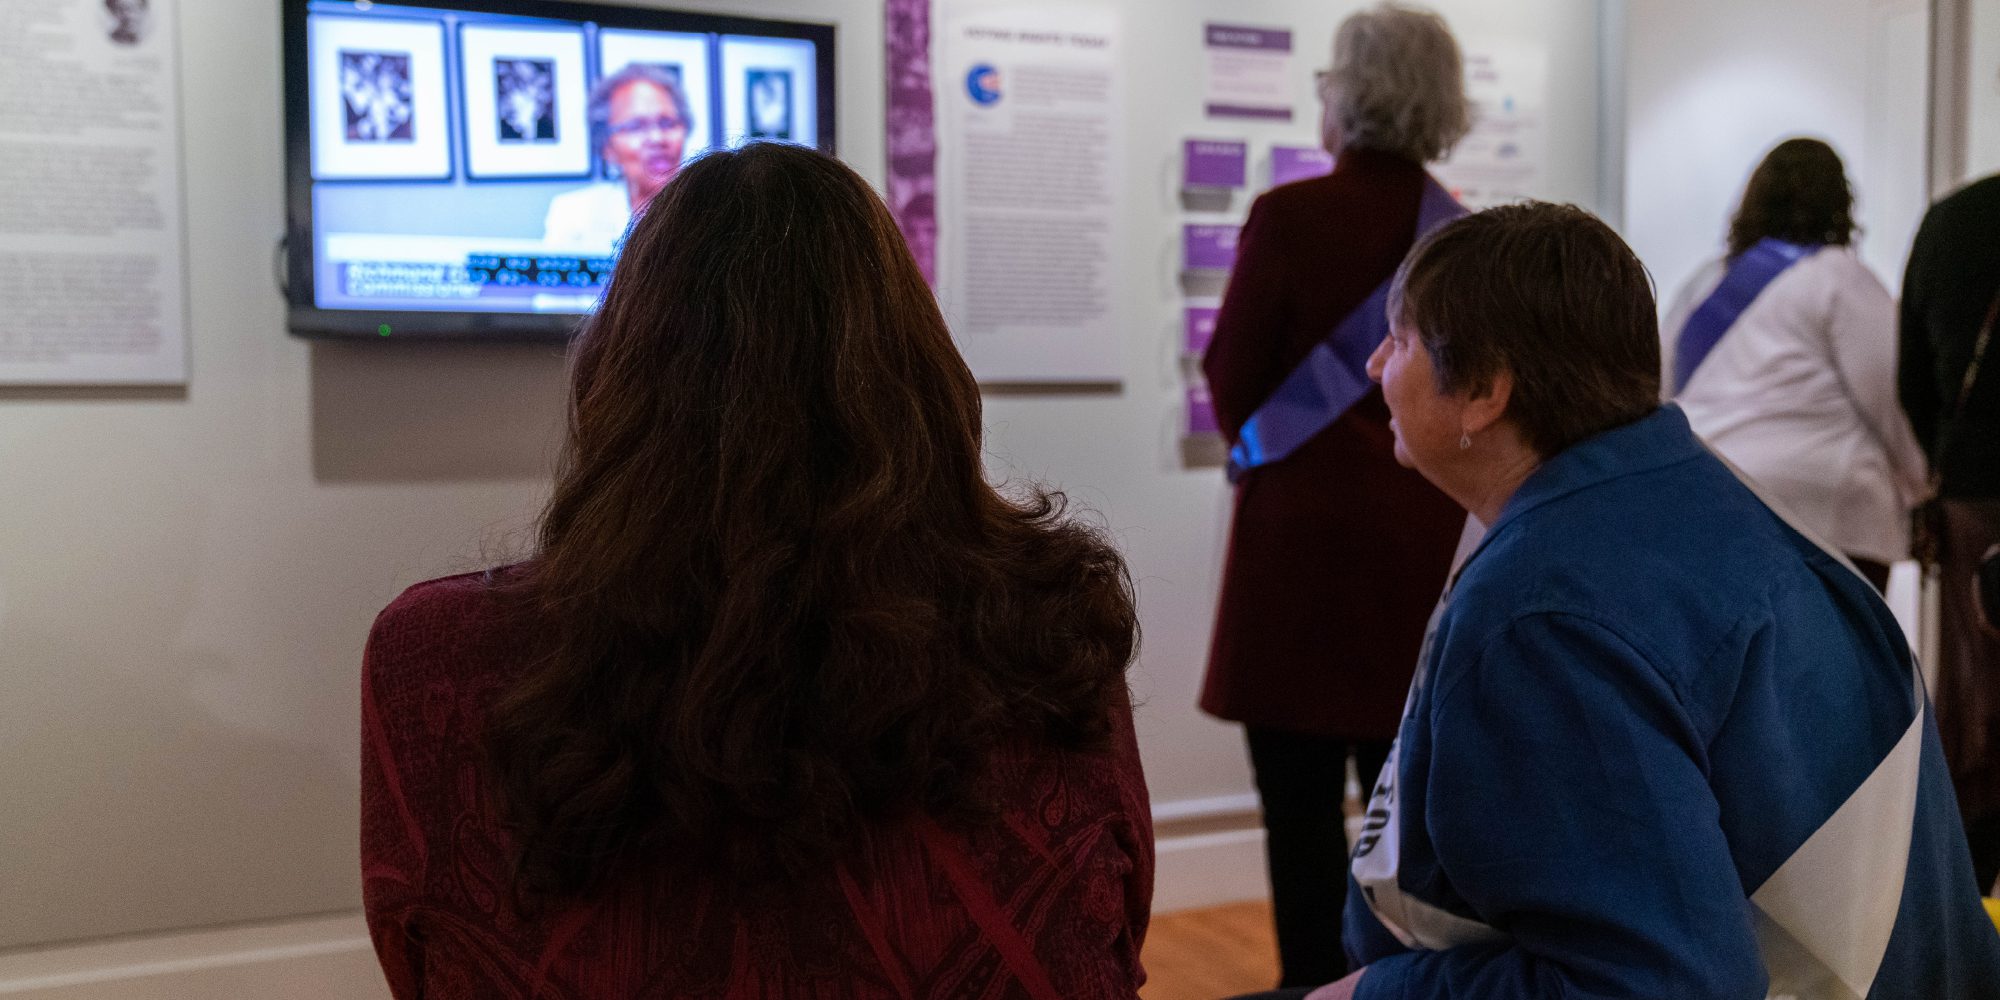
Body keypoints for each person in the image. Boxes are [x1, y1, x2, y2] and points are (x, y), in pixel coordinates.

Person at [362, 143, 1153, 998]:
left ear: (613, 373)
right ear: (924, 373)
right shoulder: (1051, 621)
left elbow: (418, 960)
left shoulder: (435, 659)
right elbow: (1120, 919)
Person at [1265, 202, 2000, 1000]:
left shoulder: (1545, 614)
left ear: (1482, 391)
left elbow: (1654, 984)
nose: (1375, 364)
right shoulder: (1695, 503)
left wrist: (1375, 993)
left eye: (1400, 339)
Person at [1197, 4, 1471, 987]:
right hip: (1419, 546)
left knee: (1298, 805)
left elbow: (1230, 374)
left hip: (1296, 553)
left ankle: (1313, 982)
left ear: (1344, 95)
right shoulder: (1462, 237)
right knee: (1411, 806)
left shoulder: (1288, 216)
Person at [1663, 138, 1927, 593]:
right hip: (1828, 510)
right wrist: (1923, 486)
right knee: (1837, 640)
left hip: (1711, 498)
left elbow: (1663, 389)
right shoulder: (1840, 276)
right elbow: (1891, 396)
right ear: (1840, 206)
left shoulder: (1705, 284)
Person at [1902, 169, 2000, 892]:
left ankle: (1967, 886)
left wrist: (1947, 454)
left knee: (1975, 706)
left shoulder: (1953, 221)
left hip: (1974, 495)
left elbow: (1911, 378)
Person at [541, 65, 692, 249]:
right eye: (636, 126)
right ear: (607, 147)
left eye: (667, 123)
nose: (657, 139)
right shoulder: (573, 214)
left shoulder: (714, 210)